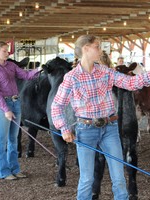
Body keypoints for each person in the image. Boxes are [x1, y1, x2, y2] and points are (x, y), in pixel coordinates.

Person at [51, 34, 150, 200]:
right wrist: (64, 128)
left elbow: (130, 83)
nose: (101, 50)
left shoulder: (105, 71)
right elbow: (57, 106)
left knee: (118, 177)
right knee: (87, 178)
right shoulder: (71, 78)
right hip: (85, 129)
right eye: (97, 46)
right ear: (86, 49)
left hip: (110, 128)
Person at [0, 41, 40, 180]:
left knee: (13, 140)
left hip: (16, 103)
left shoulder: (11, 65)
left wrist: (39, 70)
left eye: (7, 51)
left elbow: (26, 75)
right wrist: (6, 109)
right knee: (2, 140)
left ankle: (15, 169)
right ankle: (3, 172)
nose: (7, 53)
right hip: (2, 106)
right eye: (4, 51)